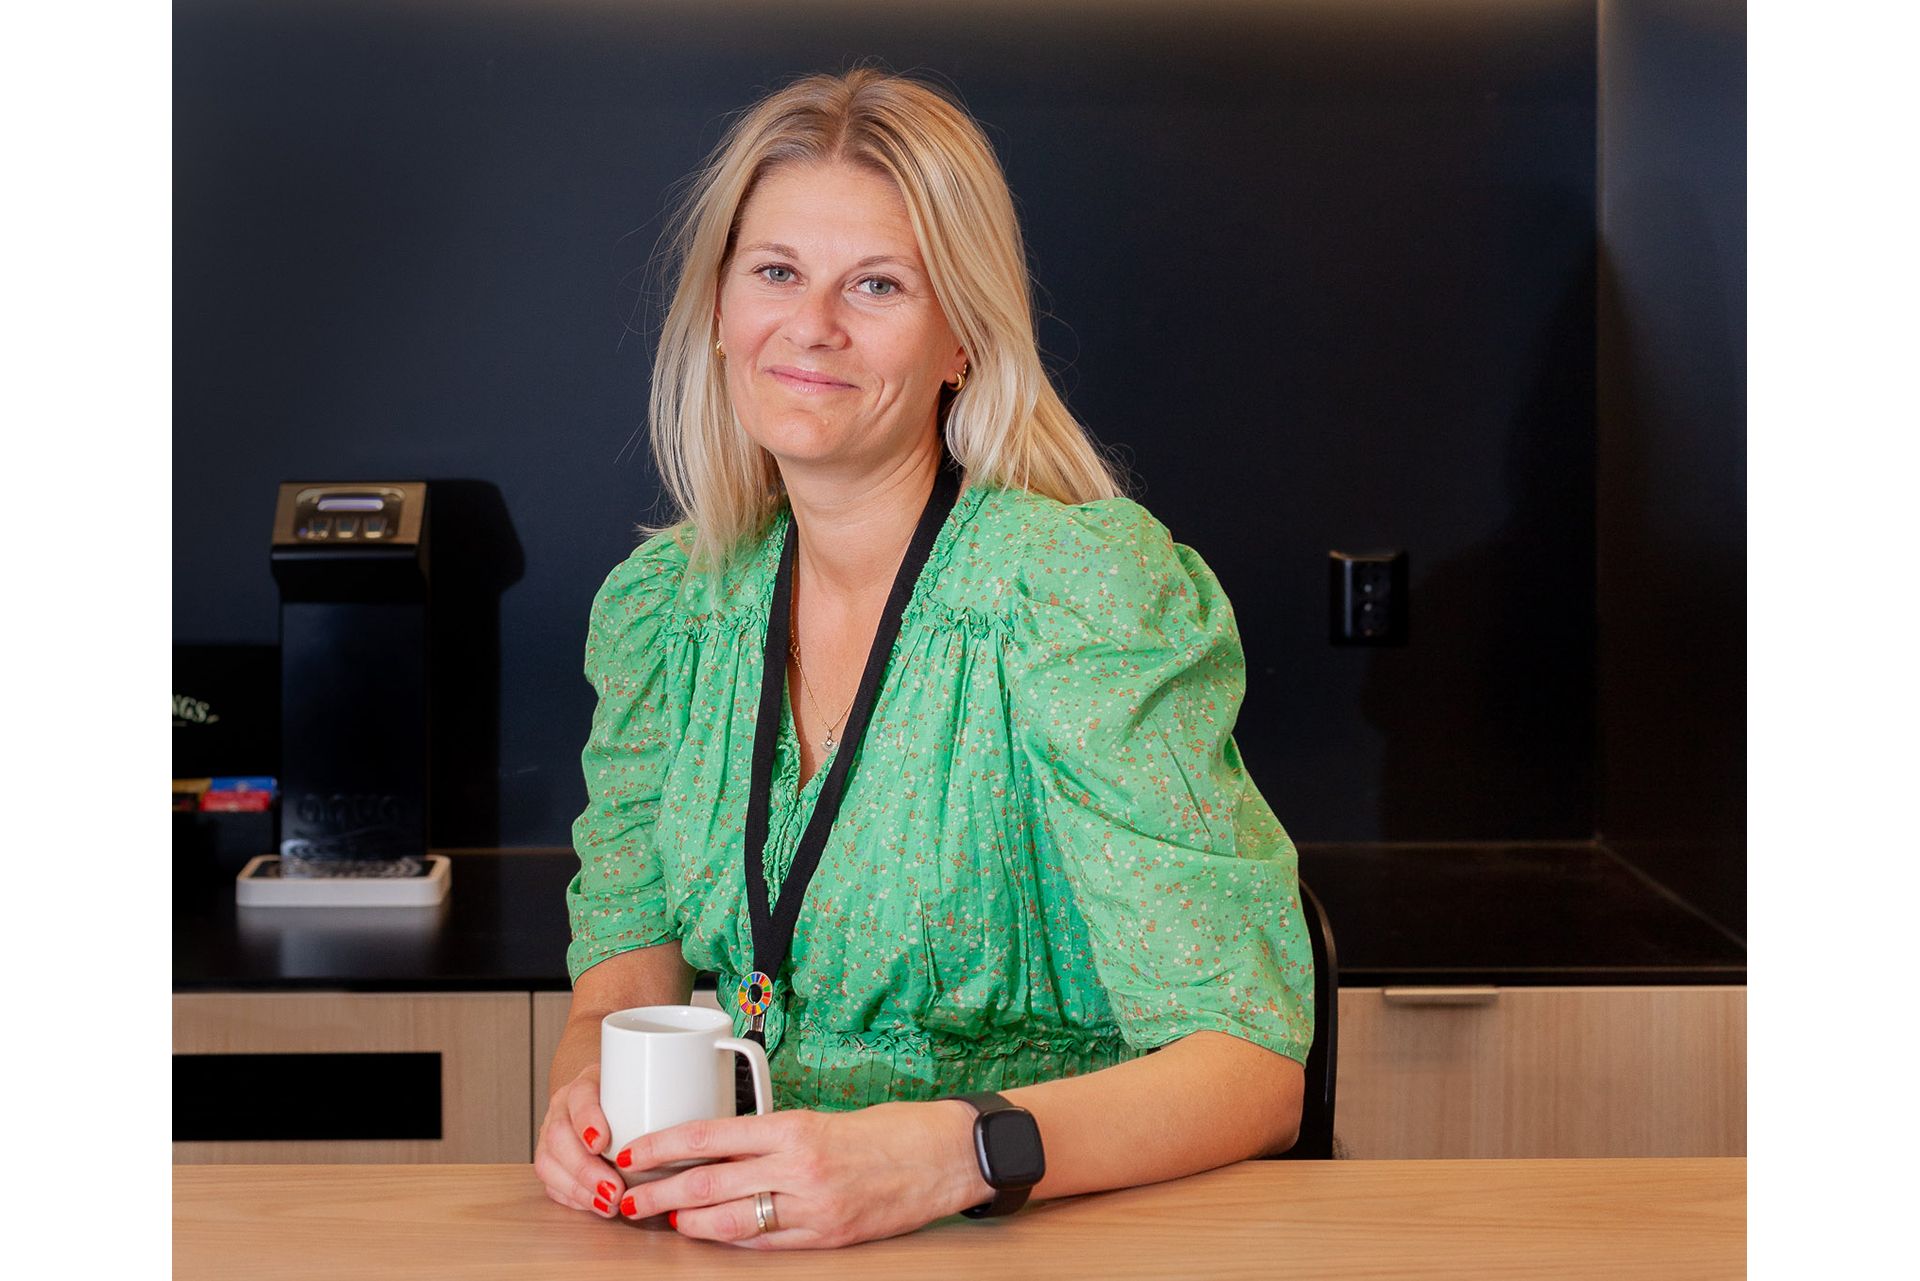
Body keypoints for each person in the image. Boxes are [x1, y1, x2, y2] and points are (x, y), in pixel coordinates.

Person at [533, 66, 1313, 1250]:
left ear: (961, 339)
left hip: (1049, 1242)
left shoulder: (1081, 594)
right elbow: (623, 972)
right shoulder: (665, 610)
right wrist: (582, 1098)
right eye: (776, 272)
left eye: (877, 284)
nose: (813, 325)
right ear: (719, 311)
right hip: (756, 1237)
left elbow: (1252, 1071)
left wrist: (947, 1156)